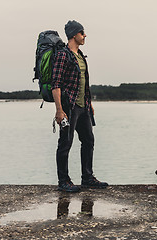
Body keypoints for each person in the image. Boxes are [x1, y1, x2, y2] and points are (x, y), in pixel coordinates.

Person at [51, 20, 108, 192]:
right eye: (82, 33)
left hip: (83, 107)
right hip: (69, 106)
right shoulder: (63, 55)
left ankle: (87, 177)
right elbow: (56, 84)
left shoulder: (81, 55)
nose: (85, 36)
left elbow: (84, 82)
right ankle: (63, 181)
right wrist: (59, 110)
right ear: (74, 35)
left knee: (89, 140)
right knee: (65, 143)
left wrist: (89, 104)